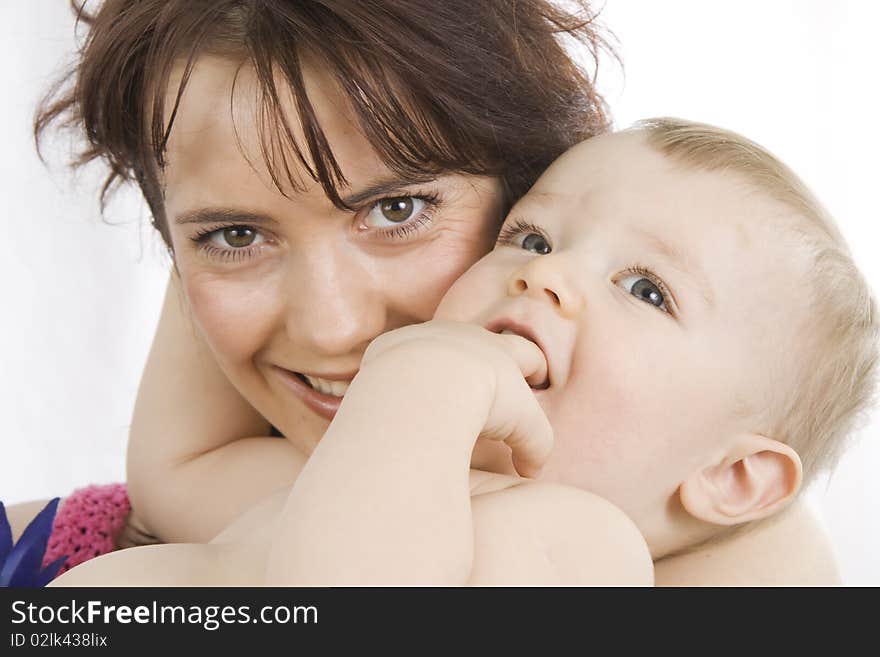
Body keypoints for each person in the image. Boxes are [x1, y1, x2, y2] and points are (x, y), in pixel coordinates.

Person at [6, 1, 839, 585]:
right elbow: (175, 472)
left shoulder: (597, 539)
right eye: (233, 233)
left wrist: (424, 384)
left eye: (397, 207)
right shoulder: (327, 472)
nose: (334, 326)